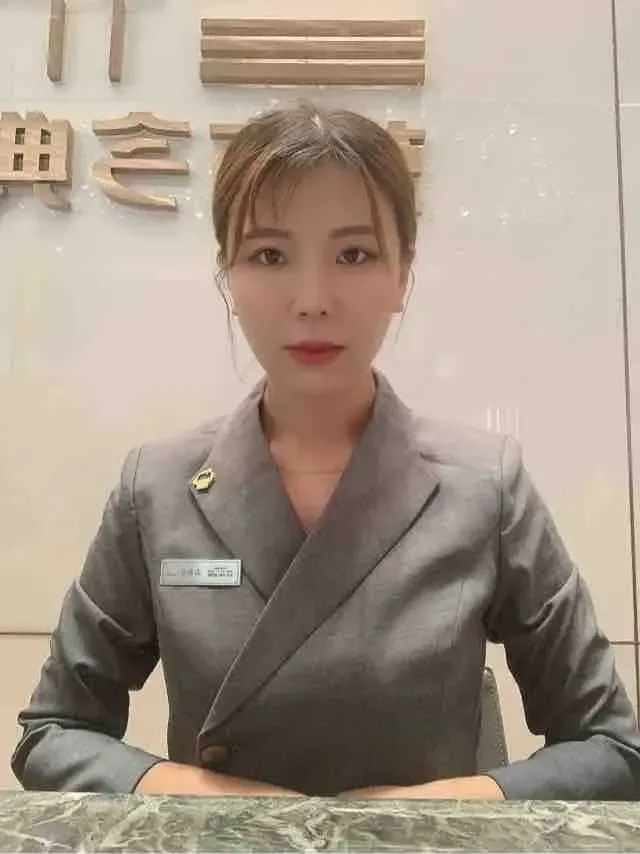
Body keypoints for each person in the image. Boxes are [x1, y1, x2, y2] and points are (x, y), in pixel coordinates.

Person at [12, 103, 640, 801]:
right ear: (227, 276)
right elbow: (54, 734)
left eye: (354, 255)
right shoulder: (155, 487)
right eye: (269, 256)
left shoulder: (486, 487)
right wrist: (221, 799)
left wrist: (419, 811)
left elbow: (611, 748)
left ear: (402, 274)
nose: (312, 300)